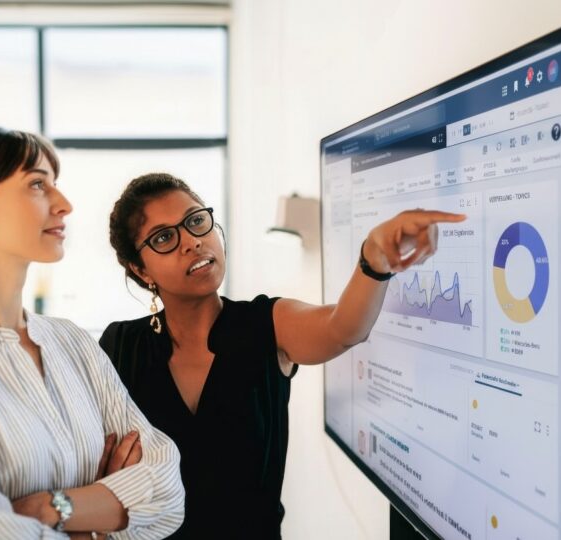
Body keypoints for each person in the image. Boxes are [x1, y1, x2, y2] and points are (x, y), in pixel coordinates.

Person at [100, 173, 465, 538]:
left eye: (196, 221)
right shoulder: (119, 347)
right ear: (140, 269)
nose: (192, 242)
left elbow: (344, 328)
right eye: (164, 237)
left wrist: (374, 259)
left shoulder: (267, 323)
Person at [0, 129, 185, 539]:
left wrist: (48, 508)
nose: (64, 204)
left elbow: (165, 494)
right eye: (37, 184)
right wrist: (97, 516)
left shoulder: (71, 343)